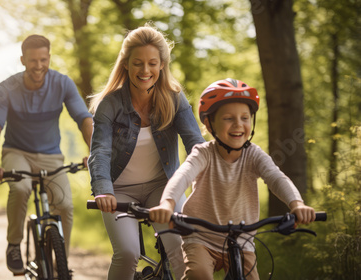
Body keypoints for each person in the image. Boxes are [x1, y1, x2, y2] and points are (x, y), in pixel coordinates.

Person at [149, 78, 316, 280]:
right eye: (229, 118)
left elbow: (276, 177)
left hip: (241, 241)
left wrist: (296, 204)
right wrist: (167, 204)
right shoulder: (203, 153)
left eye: (245, 118)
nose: (238, 124)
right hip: (200, 237)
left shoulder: (254, 155)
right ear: (210, 124)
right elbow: (183, 176)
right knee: (199, 274)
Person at [87, 23, 205, 280]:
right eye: (138, 63)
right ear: (126, 64)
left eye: (152, 63)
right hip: (118, 190)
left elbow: (196, 146)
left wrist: (206, 184)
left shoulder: (174, 99)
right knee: (128, 253)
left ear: (162, 64)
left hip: (162, 187)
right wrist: (103, 190)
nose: (145, 70)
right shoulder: (110, 104)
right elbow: (100, 152)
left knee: (182, 248)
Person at [0, 34, 93, 274]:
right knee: (21, 188)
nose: (39, 66)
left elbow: (84, 119)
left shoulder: (62, 83)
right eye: (33, 60)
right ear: (23, 60)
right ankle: (14, 244)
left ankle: (59, 261)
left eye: (44, 60)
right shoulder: (7, 88)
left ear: (49, 58)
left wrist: (92, 153)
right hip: (16, 152)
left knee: (64, 205)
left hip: (51, 155)